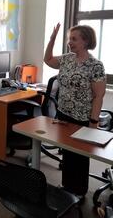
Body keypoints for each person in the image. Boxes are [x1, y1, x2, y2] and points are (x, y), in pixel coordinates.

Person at [44, 23, 106, 196]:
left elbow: (98, 96)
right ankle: (66, 187)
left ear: (85, 41)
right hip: (63, 114)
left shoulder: (95, 65)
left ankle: (79, 191)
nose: (69, 42)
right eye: (69, 39)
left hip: (82, 118)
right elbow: (47, 59)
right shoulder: (66, 59)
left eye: (74, 39)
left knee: (79, 156)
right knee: (67, 153)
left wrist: (93, 122)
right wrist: (52, 39)